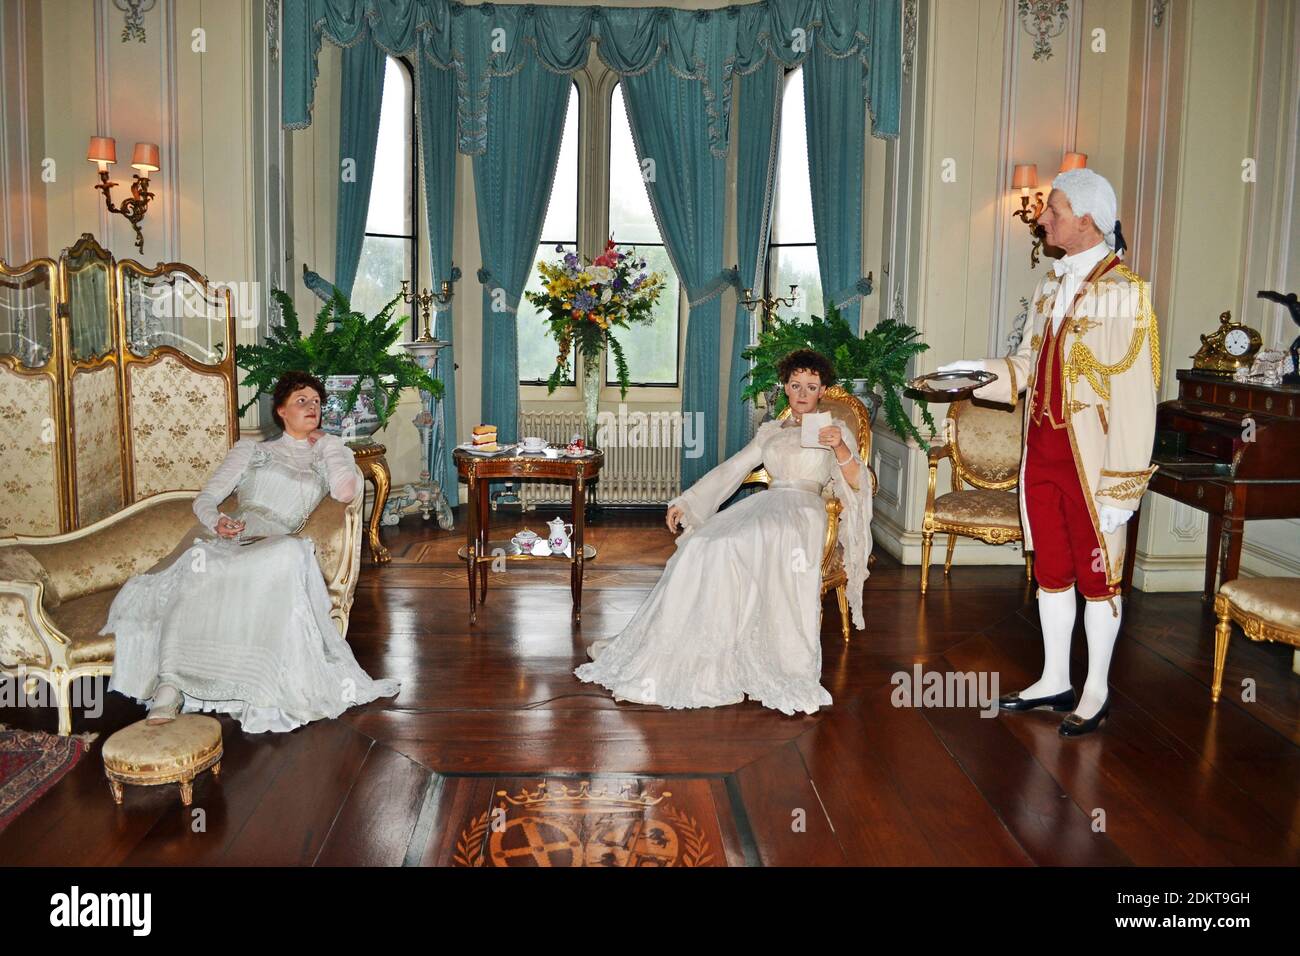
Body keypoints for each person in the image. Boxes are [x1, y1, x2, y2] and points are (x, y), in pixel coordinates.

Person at [939, 167, 1160, 736]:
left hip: (1092, 466)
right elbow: (1026, 365)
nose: (1042, 219)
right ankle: (1055, 678)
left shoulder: (1125, 293)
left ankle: (1096, 689)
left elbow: (1136, 395)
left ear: (1086, 219)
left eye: (1053, 210)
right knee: (1053, 571)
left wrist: (1123, 489)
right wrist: (972, 373)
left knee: (1099, 577)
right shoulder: (1048, 288)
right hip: (1040, 455)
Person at [575, 349, 872, 715]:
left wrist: (839, 446)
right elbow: (734, 468)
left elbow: (860, 482)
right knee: (704, 542)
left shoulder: (835, 429)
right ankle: (694, 648)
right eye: (795, 385)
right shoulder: (772, 431)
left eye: (811, 386)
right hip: (768, 503)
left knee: (733, 543)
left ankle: (760, 656)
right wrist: (688, 501)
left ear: (822, 390)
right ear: (785, 387)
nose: (802, 393)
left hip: (803, 511)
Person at [103, 370, 400, 733]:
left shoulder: (327, 455)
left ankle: (257, 685)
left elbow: (346, 492)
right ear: (281, 411)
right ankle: (170, 686)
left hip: (275, 544)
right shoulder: (252, 450)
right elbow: (206, 499)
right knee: (200, 564)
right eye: (301, 401)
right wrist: (217, 521)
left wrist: (330, 445)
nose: (312, 407)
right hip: (234, 537)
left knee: (293, 552)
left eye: (317, 402)